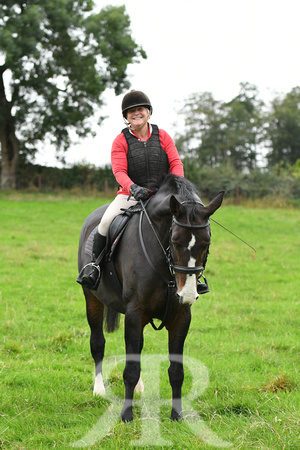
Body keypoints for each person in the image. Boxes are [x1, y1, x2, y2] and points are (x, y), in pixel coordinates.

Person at [77, 90, 184, 289]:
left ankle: (194, 276)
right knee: (106, 222)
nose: (136, 113)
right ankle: (94, 268)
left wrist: (176, 186)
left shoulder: (163, 136)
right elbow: (119, 171)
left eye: (140, 109)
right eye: (131, 111)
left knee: (189, 222)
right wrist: (133, 187)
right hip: (130, 195)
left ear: (149, 112)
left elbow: (176, 162)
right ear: (126, 117)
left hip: (162, 195)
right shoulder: (120, 140)